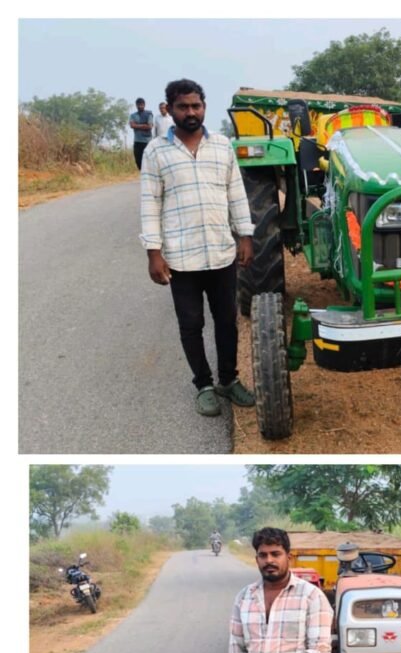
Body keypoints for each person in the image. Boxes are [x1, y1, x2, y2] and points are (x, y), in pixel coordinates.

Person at [140, 78, 256, 416]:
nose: (191, 112)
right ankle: (203, 384)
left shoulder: (222, 146)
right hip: (181, 258)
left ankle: (229, 380)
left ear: (204, 107)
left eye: (196, 106)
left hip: (221, 252)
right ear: (170, 109)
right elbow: (149, 204)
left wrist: (245, 235)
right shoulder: (156, 151)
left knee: (227, 321)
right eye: (183, 107)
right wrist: (153, 253)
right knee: (191, 324)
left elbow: (236, 193)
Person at [129, 98, 153, 170]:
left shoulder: (149, 114)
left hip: (147, 141)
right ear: (136, 105)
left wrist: (137, 125)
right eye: (138, 105)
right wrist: (143, 125)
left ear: (144, 105)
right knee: (138, 160)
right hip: (137, 141)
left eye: (142, 105)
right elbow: (132, 126)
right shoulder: (133, 115)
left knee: (149, 160)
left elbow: (149, 126)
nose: (140, 106)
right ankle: (143, 174)